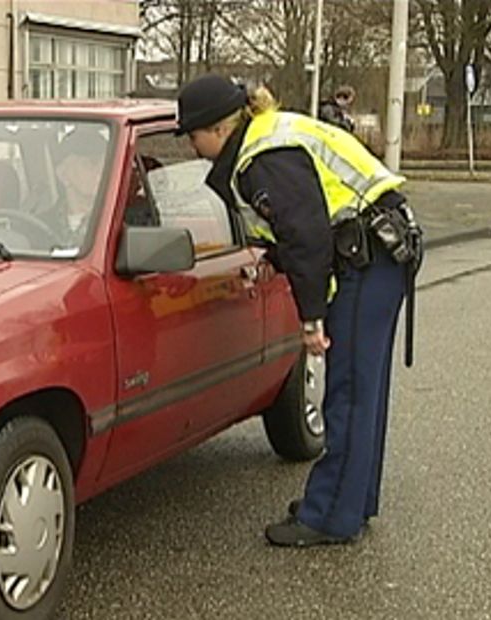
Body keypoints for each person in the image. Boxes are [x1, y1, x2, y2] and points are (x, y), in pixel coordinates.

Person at [175, 74, 419, 546]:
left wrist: (312, 320)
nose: (190, 145)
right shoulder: (268, 134)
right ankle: (350, 501)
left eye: (193, 134)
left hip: (367, 258)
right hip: (382, 252)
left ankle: (329, 516)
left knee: (347, 393)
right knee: (362, 391)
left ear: (218, 129)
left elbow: (306, 239)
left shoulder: (261, 159)